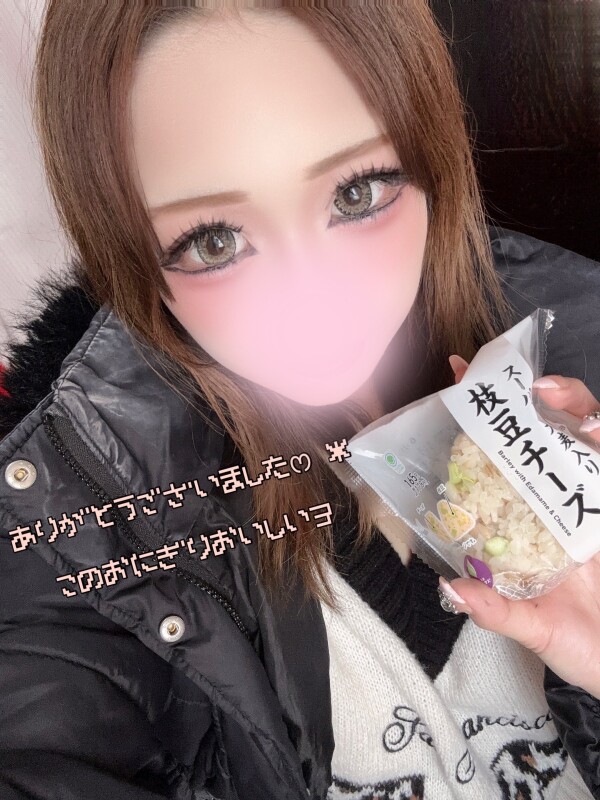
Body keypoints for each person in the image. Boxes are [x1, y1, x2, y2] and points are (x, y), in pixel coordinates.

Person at [1, 3, 600, 799]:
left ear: (430, 162)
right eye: (214, 240)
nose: (310, 298)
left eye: (356, 193)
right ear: (136, 262)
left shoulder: (581, 347)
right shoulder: (74, 530)